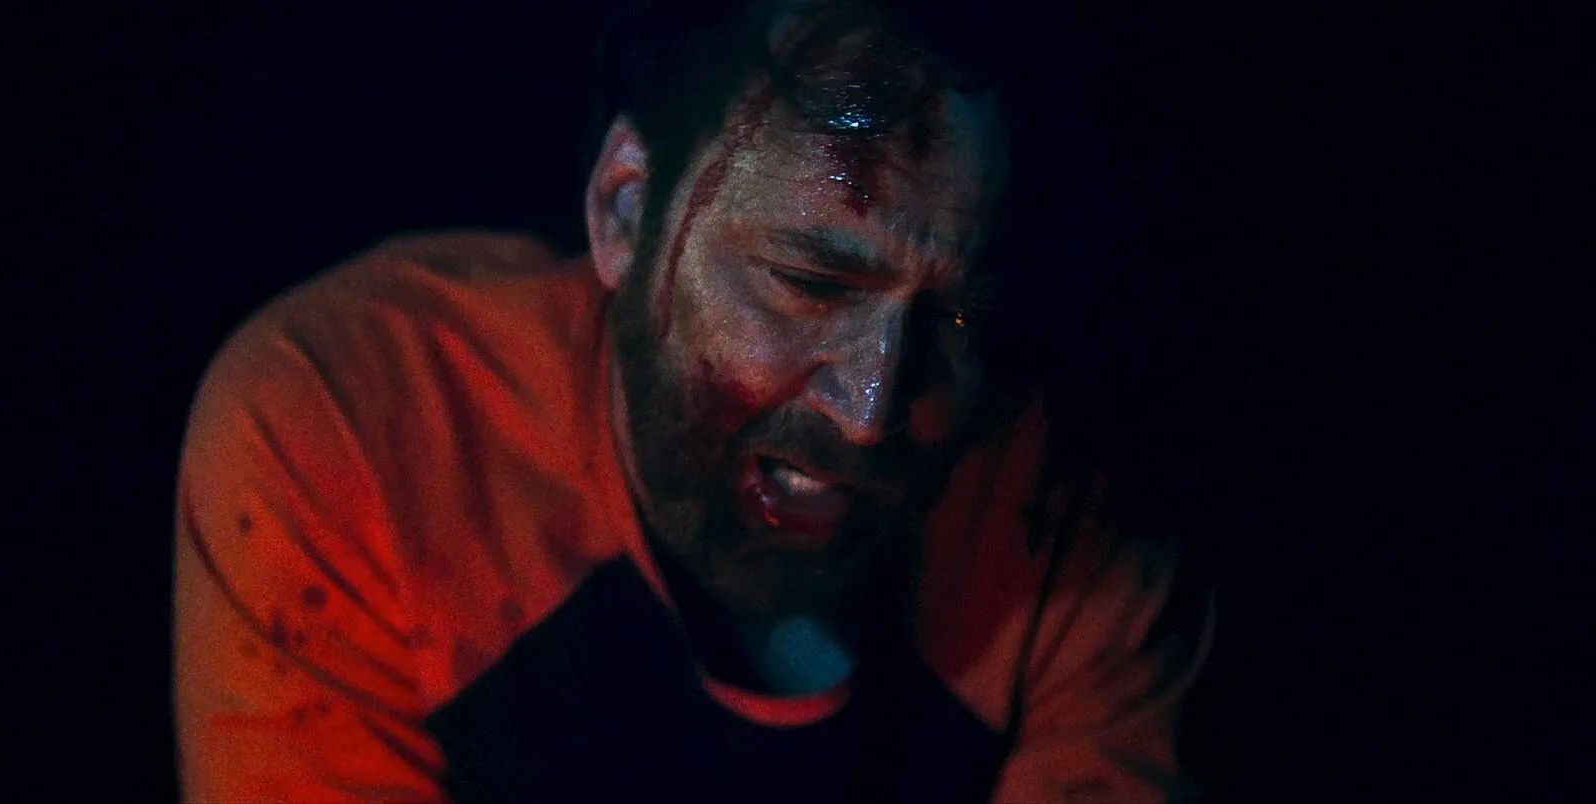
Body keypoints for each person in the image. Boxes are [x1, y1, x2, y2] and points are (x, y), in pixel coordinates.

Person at [172, 1, 1214, 800]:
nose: (869, 409)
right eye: (810, 283)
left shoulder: (1071, 514)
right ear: (625, 212)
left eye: (958, 317)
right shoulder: (357, 428)